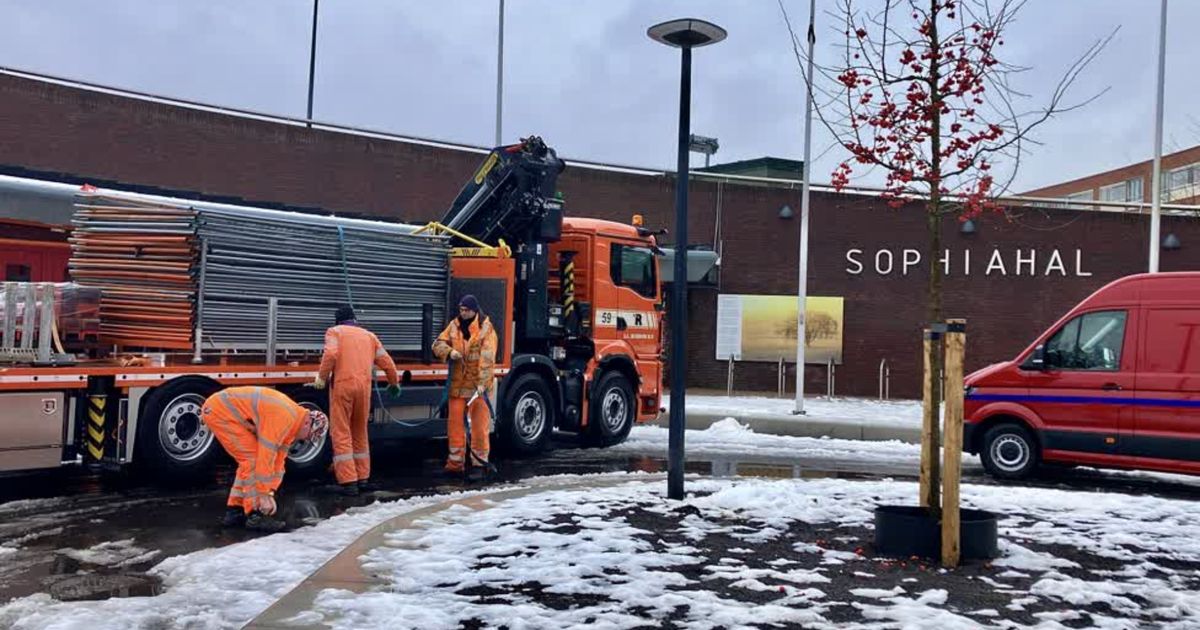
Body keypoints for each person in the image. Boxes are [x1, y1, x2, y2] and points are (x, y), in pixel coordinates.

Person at [201, 386, 329, 532]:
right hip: (219, 411)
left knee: (249, 460)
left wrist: (270, 492)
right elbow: (265, 456)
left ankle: (235, 510)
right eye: (309, 436)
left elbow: (278, 462)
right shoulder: (284, 417)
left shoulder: (292, 424)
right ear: (307, 423)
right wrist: (262, 496)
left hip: (222, 410)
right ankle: (255, 514)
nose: (305, 440)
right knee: (252, 459)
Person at [313, 305, 400, 495]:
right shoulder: (369, 336)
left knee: (341, 432)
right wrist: (394, 383)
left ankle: (348, 481)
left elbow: (331, 354)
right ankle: (363, 478)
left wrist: (322, 376)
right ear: (354, 319)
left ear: (337, 320)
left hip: (343, 387)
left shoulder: (334, 332)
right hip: (364, 389)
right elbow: (387, 362)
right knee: (360, 431)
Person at [432, 294, 498, 475]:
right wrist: (449, 351)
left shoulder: (486, 329)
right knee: (455, 427)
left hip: (478, 389)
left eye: (466, 310)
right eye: (461, 310)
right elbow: (437, 344)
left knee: (479, 428)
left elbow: (487, 359)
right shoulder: (454, 326)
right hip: (458, 387)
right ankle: (455, 464)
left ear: (474, 310)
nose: (463, 313)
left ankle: (480, 465)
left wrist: (483, 384)